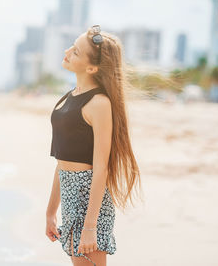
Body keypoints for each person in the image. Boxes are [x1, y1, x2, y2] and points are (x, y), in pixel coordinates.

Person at [45, 25, 142, 266]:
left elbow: (101, 168)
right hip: (69, 195)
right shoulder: (69, 97)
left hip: (91, 202)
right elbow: (62, 161)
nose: (67, 51)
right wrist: (50, 212)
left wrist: (90, 227)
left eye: (76, 52)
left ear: (92, 67)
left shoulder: (99, 103)